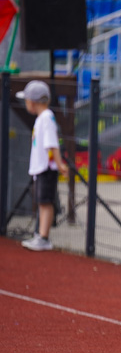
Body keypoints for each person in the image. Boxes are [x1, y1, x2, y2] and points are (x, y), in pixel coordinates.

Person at [18, 81, 68, 251]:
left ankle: (44, 237)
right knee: (42, 201)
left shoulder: (46, 118)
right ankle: (40, 234)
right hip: (42, 168)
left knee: (45, 202)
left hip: (46, 168)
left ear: (33, 101)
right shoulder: (43, 118)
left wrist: (59, 164)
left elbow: (52, 144)